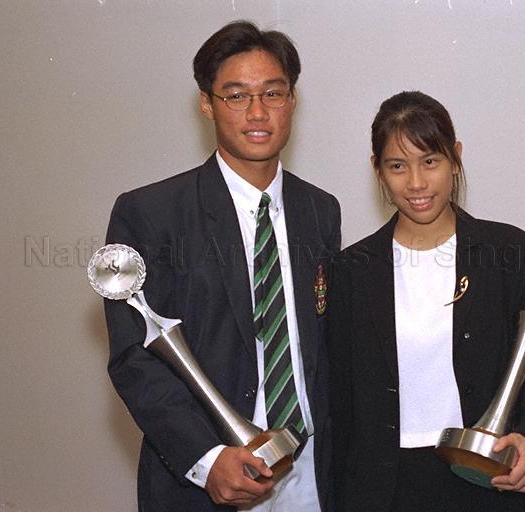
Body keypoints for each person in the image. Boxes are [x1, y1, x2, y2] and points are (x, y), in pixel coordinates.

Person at [104, 21, 340, 512]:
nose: (257, 112)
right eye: (236, 95)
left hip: (311, 473)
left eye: (272, 93)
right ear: (207, 104)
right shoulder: (150, 213)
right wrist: (208, 460)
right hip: (210, 477)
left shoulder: (321, 210)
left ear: (292, 99)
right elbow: (136, 358)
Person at [328, 91, 525, 512]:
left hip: (482, 478)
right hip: (382, 486)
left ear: (455, 157)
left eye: (430, 161)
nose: (416, 183)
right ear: (377, 170)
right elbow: (340, 402)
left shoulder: (508, 253)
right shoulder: (352, 271)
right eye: (397, 166)